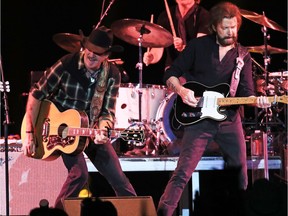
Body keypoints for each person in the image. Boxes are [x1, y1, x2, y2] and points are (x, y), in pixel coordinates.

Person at [156, 2, 272, 216]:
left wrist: (258, 101)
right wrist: (181, 91)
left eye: (234, 27)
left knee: (240, 175)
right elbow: (170, 73)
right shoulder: (198, 46)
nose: (230, 32)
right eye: (225, 28)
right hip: (199, 119)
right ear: (214, 27)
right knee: (182, 172)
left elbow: (246, 94)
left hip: (229, 120)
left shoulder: (242, 55)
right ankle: (163, 213)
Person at [22, 26, 137, 210]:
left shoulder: (112, 74)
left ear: (106, 55)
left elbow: (107, 112)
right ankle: (57, 213)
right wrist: (29, 130)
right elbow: (36, 93)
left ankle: (137, 212)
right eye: (89, 50)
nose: (91, 55)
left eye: (97, 53)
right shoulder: (67, 63)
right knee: (79, 175)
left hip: (90, 130)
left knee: (120, 180)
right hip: (61, 130)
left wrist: (104, 129)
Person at [143, 0, 210, 73]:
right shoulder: (165, 16)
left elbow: (199, 50)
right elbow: (158, 48)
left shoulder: (204, 16)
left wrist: (183, 48)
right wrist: (151, 57)